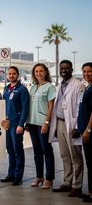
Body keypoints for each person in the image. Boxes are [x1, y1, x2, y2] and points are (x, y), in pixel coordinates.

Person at [50, 60, 85, 198]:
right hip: (59, 123)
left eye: (66, 68)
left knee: (75, 156)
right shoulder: (60, 85)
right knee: (64, 155)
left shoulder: (78, 85)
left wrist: (77, 127)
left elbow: (80, 107)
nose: (64, 70)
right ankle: (67, 182)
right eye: (62, 68)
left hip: (72, 125)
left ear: (71, 69)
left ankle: (77, 185)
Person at [25, 63, 56, 189]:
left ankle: (49, 178)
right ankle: (39, 176)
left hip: (42, 124)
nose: (38, 73)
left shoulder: (50, 87)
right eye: (36, 71)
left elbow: (51, 107)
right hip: (32, 123)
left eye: (41, 71)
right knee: (37, 151)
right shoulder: (33, 87)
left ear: (45, 72)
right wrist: (27, 122)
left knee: (47, 151)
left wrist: (46, 123)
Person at [1, 66, 29, 186]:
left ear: (18, 75)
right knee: (10, 150)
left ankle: (18, 176)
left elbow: (25, 108)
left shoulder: (22, 90)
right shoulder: (6, 89)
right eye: (10, 74)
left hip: (16, 123)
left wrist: (21, 124)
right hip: (7, 124)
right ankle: (11, 174)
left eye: (14, 74)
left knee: (18, 150)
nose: (11, 76)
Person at [78, 62, 92, 202]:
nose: (87, 74)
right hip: (84, 130)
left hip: (89, 132)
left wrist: (88, 130)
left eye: (89, 71)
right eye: (85, 71)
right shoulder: (87, 87)